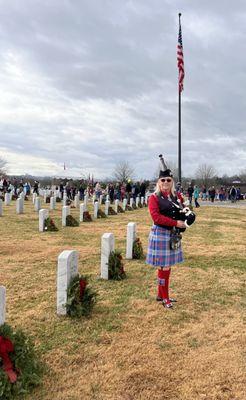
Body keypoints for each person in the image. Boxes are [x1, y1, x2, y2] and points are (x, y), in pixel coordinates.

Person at [146, 155, 188, 309]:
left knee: (166, 266)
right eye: (162, 180)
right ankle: (165, 297)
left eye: (168, 180)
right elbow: (156, 218)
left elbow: (182, 212)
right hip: (161, 233)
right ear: (158, 182)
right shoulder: (154, 198)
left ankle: (160, 294)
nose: (165, 182)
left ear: (172, 182)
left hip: (173, 235)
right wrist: (175, 222)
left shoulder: (177, 197)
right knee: (164, 267)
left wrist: (185, 220)